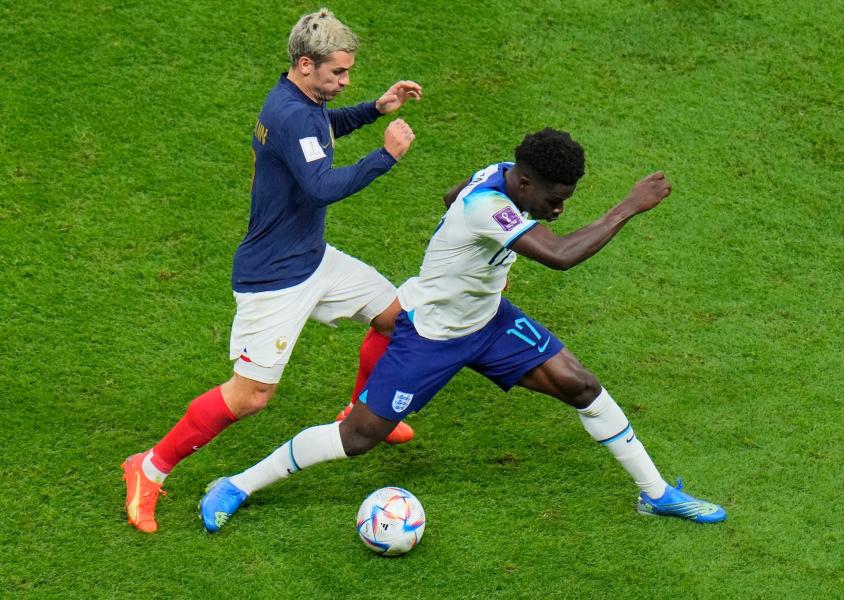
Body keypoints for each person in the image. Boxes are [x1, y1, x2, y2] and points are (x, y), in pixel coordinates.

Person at [199, 128, 727, 532]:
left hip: (489, 322)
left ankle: (654, 493)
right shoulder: (489, 207)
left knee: (580, 384)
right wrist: (628, 206)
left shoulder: (501, 174)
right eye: (552, 199)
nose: (559, 209)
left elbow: (450, 195)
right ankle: (237, 485)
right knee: (359, 437)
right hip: (429, 334)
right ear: (522, 183)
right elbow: (561, 255)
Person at [121, 8, 422, 534]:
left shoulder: (300, 102)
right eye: (338, 74)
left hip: (313, 258)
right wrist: (386, 156)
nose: (346, 80)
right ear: (306, 65)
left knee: (397, 320)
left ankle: (359, 411)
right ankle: (148, 468)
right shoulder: (289, 115)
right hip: (275, 278)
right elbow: (322, 186)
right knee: (249, 396)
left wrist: (375, 108)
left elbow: (324, 126)